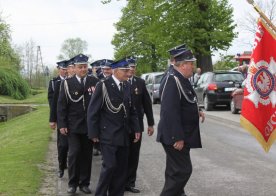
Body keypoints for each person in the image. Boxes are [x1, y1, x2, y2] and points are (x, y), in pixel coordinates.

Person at [87, 57, 141, 196]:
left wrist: (136, 128)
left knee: (122, 170)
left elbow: (132, 110)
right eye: (125, 70)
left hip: (123, 134)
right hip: (108, 134)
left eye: (128, 70)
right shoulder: (103, 86)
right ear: (115, 71)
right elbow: (93, 111)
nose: (128, 73)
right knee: (110, 166)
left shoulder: (126, 86)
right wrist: (93, 133)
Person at [157, 47, 205, 196]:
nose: (193, 67)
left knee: (175, 172)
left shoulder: (179, 77)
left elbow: (182, 102)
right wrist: (177, 137)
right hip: (175, 136)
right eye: (191, 63)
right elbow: (169, 111)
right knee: (182, 171)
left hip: (181, 133)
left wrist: (195, 111)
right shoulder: (172, 79)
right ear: (183, 64)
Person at [57, 54, 99, 194]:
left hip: (89, 126)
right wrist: (62, 124)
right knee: (74, 154)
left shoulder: (94, 81)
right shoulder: (67, 83)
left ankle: (84, 183)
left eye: (85, 67)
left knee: (87, 155)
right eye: (80, 67)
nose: (83, 69)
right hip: (73, 126)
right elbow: (62, 106)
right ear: (74, 68)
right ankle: (72, 184)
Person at [125, 57, 155, 193]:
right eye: (129, 67)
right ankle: (120, 181)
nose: (131, 69)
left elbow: (147, 104)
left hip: (137, 125)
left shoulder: (140, 83)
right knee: (122, 154)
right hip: (123, 125)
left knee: (134, 155)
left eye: (133, 67)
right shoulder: (121, 82)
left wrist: (150, 123)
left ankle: (130, 182)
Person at [49, 60, 69, 178]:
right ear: (59, 69)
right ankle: (62, 165)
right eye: (63, 69)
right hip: (60, 117)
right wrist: (53, 119)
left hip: (73, 119)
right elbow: (53, 102)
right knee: (62, 145)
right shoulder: (55, 83)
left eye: (67, 68)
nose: (65, 71)